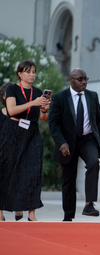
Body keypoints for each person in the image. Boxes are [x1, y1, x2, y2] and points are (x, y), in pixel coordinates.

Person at [48, 68, 100, 222]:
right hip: (67, 142)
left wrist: (99, 142)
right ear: (70, 80)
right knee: (69, 180)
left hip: (88, 139)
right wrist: (62, 143)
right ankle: (68, 216)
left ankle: (89, 204)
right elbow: (53, 124)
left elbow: (99, 121)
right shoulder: (60, 98)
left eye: (85, 79)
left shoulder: (92, 96)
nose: (84, 82)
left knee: (94, 162)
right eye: (80, 79)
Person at [0, 60, 50, 221]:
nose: (32, 75)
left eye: (34, 72)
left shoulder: (38, 92)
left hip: (32, 132)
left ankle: (31, 214)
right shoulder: (12, 89)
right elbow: (11, 110)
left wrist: (43, 109)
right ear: (19, 74)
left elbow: (42, 119)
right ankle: (1, 211)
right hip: (12, 131)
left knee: (33, 171)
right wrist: (33, 103)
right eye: (28, 71)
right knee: (7, 170)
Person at [0, 82, 25, 222]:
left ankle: (19, 212)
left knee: (18, 182)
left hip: (18, 153)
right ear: (4, 96)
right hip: (2, 154)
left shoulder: (21, 115)